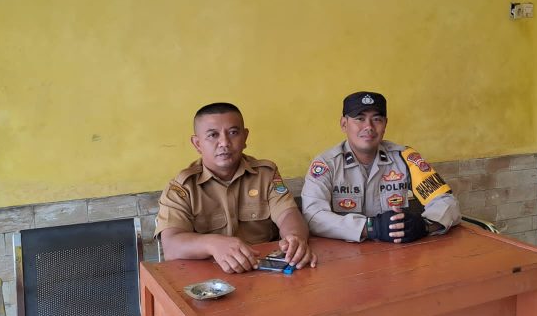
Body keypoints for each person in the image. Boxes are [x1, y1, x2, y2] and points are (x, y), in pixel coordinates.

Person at [155, 102, 316, 272]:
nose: (224, 142)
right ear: (197, 144)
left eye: (233, 133)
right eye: (213, 135)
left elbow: (288, 214)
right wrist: (212, 244)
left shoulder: (265, 175)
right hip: (209, 277)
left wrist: (295, 238)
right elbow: (171, 245)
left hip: (264, 270)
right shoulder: (183, 188)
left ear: (245, 137)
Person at [301, 91, 461, 243]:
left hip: (398, 254)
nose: (369, 126)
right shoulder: (326, 164)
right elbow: (313, 217)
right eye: (360, 118)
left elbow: (447, 202)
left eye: (377, 119)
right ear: (344, 124)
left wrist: (425, 225)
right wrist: (370, 228)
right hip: (344, 256)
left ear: (385, 124)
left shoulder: (405, 159)